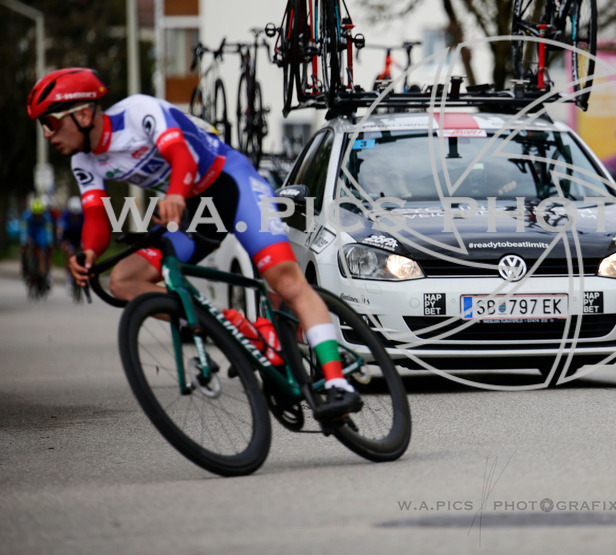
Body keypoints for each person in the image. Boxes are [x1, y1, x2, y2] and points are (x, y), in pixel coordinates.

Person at [27, 67, 361, 420]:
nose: (47, 134)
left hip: (232, 185)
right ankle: (241, 327)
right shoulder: (85, 160)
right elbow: (96, 217)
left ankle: (338, 383)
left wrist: (174, 195)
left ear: (81, 114)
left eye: (49, 122)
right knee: (123, 280)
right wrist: (89, 252)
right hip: (193, 209)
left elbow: (182, 155)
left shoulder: (137, 112)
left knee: (284, 280)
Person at [20, 197, 54, 290]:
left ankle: (45, 275)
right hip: (30, 231)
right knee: (24, 249)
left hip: (41, 232)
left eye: (39, 214)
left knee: (42, 252)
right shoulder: (26, 216)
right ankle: (24, 267)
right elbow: (23, 230)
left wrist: (49, 243)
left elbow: (48, 231)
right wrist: (24, 243)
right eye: (35, 214)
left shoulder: (46, 217)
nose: (37, 216)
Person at [57, 196, 85, 294]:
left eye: (77, 214)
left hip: (79, 237)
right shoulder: (65, 216)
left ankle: (83, 275)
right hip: (68, 238)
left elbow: (87, 230)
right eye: (74, 214)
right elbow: (60, 231)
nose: (75, 216)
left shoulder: (83, 215)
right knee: (70, 256)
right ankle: (68, 280)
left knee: (85, 254)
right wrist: (62, 242)